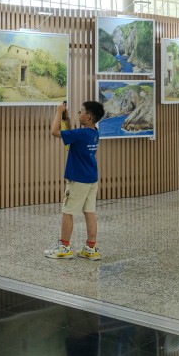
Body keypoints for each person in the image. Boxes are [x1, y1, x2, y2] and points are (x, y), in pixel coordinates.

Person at [44, 100, 105, 260]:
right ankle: (91, 248)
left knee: (68, 211)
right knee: (89, 212)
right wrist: (66, 119)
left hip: (78, 180)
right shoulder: (93, 133)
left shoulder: (81, 134)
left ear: (89, 116)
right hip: (91, 179)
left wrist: (58, 112)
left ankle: (64, 247)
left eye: (80, 111)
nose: (78, 114)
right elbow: (70, 135)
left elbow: (54, 132)